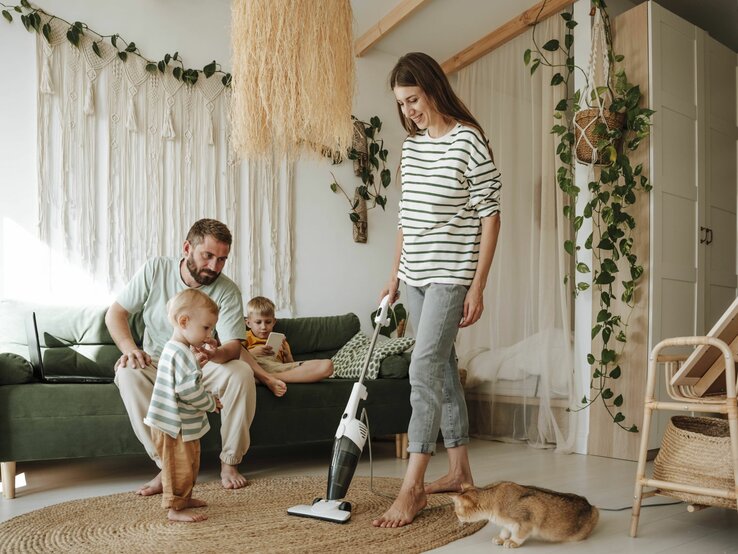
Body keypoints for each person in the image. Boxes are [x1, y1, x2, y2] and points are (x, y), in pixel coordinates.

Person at [373, 52, 501, 528]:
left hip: (452, 274)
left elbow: (490, 216)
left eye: (413, 99)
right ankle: (461, 472)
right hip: (415, 275)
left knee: (423, 366)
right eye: (401, 104)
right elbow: (405, 217)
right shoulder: (411, 147)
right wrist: (394, 273)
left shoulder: (469, 140)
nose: (408, 110)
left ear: (432, 88)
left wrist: (478, 285)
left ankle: (413, 488)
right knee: (443, 368)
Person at [106, 218, 267, 493]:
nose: (214, 266)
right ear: (187, 248)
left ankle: (229, 462)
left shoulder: (227, 290)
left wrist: (215, 353)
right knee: (127, 373)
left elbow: (233, 346)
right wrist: (130, 350)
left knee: (241, 372)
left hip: (203, 364)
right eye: (208, 256)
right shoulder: (156, 269)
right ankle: (167, 465)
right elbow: (115, 313)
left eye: (222, 259)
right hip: (158, 362)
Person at [144, 288, 223, 523]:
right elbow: (187, 390)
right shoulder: (181, 353)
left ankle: (184, 499)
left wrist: (195, 364)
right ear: (184, 321)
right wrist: (210, 402)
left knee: (189, 463)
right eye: (206, 327)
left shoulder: (176, 349)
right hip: (174, 425)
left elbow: (184, 378)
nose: (210, 334)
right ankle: (175, 508)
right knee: (179, 467)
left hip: (177, 424)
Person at [241, 296, 333, 396]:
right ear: (248, 323)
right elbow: (235, 357)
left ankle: (265, 379)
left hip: (277, 368)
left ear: (274, 322)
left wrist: (288, 356)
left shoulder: (281, 340)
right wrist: (252, 353)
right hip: (256, 366)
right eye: (258, 322)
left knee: (328, 366)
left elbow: (291, 366)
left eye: (268, 322)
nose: (263, 327)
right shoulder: (244, 336)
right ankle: (264, 377)